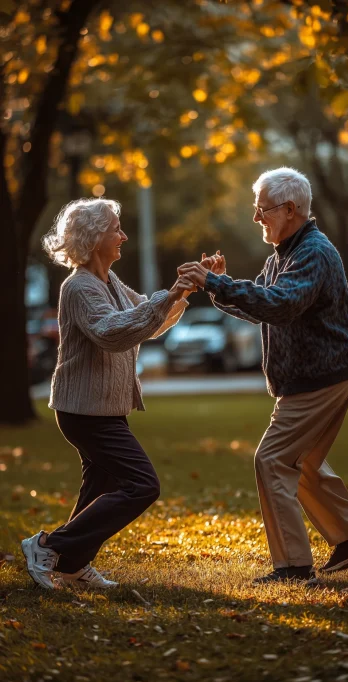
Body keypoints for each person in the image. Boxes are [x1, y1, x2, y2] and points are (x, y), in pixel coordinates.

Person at [178, 167, 348, 584]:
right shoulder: (285, 253)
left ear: (290, 210)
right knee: (301, 462)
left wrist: (217, 282)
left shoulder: (312, 252)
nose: (256, 218)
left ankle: (292, 565)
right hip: (317, 377)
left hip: (319, 378)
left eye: (262, 210)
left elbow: (279, 304)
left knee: (271, 460)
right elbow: (261, 305)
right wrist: (217, 285)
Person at [21, 197, 196, 590]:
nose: (124, 236)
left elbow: (148, 321)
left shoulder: (108, 282)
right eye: (116, 228)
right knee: (142, 485)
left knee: (98, 487)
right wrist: (168, 295)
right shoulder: (79, 287)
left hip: (104, 409)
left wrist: (183, 291)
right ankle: (47, 545)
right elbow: (112, 332)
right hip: (84, 411)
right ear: (95, 236)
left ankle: (71, 565)